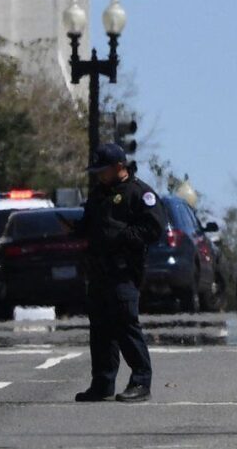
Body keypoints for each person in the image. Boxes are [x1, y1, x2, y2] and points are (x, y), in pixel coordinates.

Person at [72, 142, 166, 403]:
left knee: (125, 324)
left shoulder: (139, 193)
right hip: (99, 270)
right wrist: (78, 229)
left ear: (119, 167)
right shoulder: (99, 194)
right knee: (101, 328)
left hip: (124, 270)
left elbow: (154, 228)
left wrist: (125, 236)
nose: (99, 175)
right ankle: (102, 382)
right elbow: (92, 224)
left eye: (103, 169)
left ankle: (140, 382)